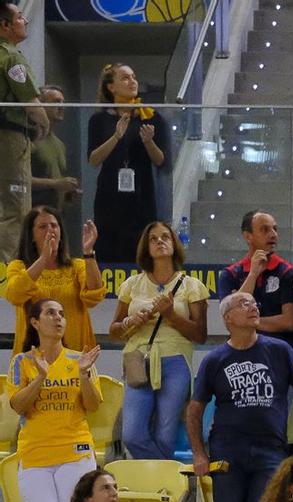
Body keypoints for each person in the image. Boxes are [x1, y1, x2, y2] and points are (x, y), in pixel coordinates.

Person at [188, 292, 293, 502]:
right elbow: (194, 409)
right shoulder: (214, 360)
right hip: (227, 451)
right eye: (243, 304)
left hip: (270, 449)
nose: (253, 306)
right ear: (228, 318)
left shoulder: (279, 350)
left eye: (254, 302)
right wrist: (199, 452)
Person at [109, 221, 209, 463]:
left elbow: (200, 335)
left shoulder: (192, 286)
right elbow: (113, 331)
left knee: (165, 433)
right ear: (146, 247)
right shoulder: (131, 284)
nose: (160, 242)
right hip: (137, 358)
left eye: (165, 237)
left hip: (176, 360)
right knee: (132, 434)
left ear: (175, 244)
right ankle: (169, 476)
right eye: (153, 239)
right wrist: (131, 322)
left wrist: (171, 315)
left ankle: (160, 492)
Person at [10, 299, 102, 502]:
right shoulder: (22, 361)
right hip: (35, 457)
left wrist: (83, 374)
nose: (58, 318)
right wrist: (41, 377)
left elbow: (92, 405)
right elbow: (18, 406)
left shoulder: (80, 359)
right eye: (50, 313)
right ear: (35, 322)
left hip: (75, 453)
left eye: (62, 313)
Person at [84, 65, 170, 273]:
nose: (132, 82)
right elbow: (94, 159)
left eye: (134, 77)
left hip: (141, 194)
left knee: (140, 248)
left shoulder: (149, 116)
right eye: (125, 78)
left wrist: (148, 142)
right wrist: (116, 136)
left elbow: (160, 160)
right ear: (111, 87)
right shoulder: (99, 119)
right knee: (108, 245)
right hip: (110, 196)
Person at [5, 207, 103, 359]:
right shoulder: (18, 266)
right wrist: (43, 259)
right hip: (33, 358)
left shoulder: (76, 266)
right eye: (43, 226)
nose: (50, 230)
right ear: (31, 235)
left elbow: (95, 296)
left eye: (54, 225)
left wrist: (88, 253)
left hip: (74, 357)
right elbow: (14, 295)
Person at [222, 211, 293, 363]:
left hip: (282, 361)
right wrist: (252, 274)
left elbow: (289, 321)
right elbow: (231, 317)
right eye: (265, 229)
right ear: (248, 236)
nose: (273, 235)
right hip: (242, 361)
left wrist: (249, 321)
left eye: (275, 229)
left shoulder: (287, 272)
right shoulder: (230, 274)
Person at [0, 3, 43, 269]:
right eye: (19, 17)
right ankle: (9, 273)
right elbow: (31, 102)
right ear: (5, 25)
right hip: (9, 136)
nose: (24, 21)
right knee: (16, 210)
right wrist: (45, 123)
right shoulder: (10, 57)